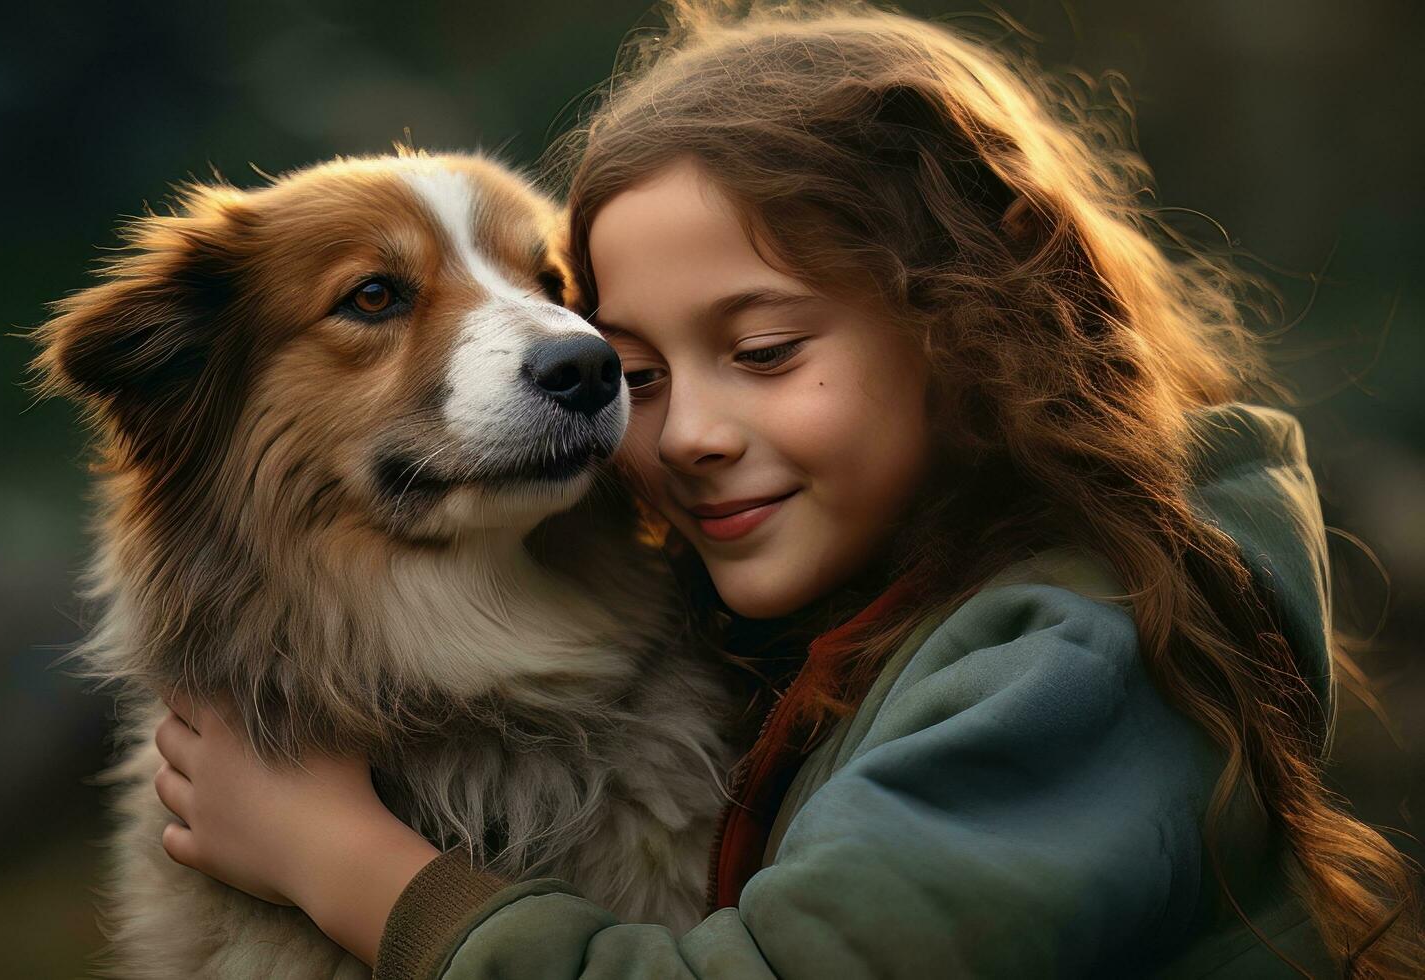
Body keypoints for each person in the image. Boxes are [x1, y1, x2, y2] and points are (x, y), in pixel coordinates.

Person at [149, 3, 1424, 977]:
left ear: (974, 330)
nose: (687, 430)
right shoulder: (828, 612)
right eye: (632, 370)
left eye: (763, 352)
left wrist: (357, 869)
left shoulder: (1081, 656)